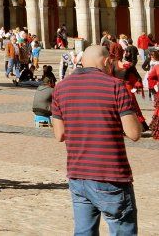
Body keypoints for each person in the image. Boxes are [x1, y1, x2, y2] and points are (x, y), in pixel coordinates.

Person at [51, 45, 140, 235]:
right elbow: (134, 133)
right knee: (122, 230)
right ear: (107, 62)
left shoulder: (60, 88)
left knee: (84, 232)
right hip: (111, 175)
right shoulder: (116, 86)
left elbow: (59, 135)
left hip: (78, 175)